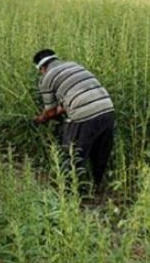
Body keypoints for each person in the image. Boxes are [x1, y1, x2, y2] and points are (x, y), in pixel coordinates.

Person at [33, 49, 114, 185]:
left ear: (42, 68)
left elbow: (51, 112)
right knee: (100, 155)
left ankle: (70, 192)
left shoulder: (46, 78)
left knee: (72, 155)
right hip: (107, 108)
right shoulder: (75, 65)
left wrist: (41, 118)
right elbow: (68, 101)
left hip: (82, 115)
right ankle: (98, 188)